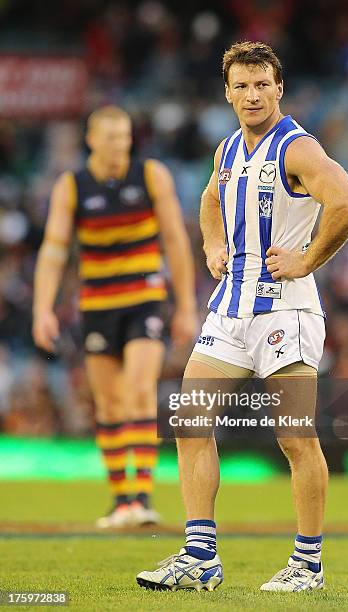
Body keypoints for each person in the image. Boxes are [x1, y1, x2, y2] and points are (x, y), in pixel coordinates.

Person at [136, 42, 348, 591]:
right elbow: (212, 199)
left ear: (278, 88)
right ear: (228, 92)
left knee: (294, 437)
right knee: (191, 423)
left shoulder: (297, 149)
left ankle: (307, 564)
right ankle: (200, 559)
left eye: (261, 84)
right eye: (241, 86)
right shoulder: (229, 150)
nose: (252, 95)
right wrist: (214, 245)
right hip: (231, 308)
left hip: (285, 308)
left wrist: (307, 258)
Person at [32, 105, 197, 528]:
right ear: (91, 140)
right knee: (107, 402)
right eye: (111, 137)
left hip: (145, 298)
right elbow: (53, 251)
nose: (120, 145)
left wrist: (185, 306)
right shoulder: (71, 187)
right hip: (98, 305)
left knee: (140, 390)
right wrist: (42, 308)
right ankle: (120, 499)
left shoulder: (151, 175)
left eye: (125, 136)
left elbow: (176, 241)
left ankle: (140, 498)